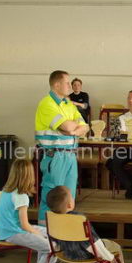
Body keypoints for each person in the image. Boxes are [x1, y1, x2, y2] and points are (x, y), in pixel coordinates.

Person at [46, 185, 127, 263]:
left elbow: (53, 240)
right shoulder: (78, 219)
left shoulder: (52, 218)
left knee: (92, 250)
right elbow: (94, 244)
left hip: (67, 253)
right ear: (70, 204)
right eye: (72, 197)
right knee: (113, 247)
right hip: (84, 254)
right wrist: (110, 257)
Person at [35, 70, 90, 225]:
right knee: (51, 197)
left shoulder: (68, 104)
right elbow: (67, 126)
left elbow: (85, 126)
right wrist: (72, 127)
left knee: (68, 200)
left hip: (70, 155)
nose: (70, 86)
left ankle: (63, 235)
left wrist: (72, 129)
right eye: (67, 83)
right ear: (57, 85)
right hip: (55, 157)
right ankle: (45, 236)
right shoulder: (47, 104)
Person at [0, 158, 56, 263]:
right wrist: (38, 234)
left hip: (10, 229)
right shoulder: (21, 196)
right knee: (52, 248)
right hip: (13, 233)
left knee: (53, 235)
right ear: (29, 176)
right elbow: (25, 225)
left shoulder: (6, 191)